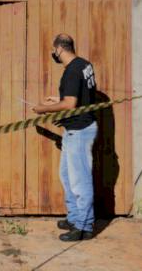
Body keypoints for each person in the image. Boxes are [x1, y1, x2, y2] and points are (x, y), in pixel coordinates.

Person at [33, 34, 97, 241]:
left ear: (59, 49)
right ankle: (75, 217)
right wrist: (58, 99)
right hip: (76, 129)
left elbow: (70, 104)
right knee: (67, 176)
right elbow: (80, 98)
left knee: (80, 181)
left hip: (79, 130)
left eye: (54, 50)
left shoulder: (70, 71)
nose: (54, 54)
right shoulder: (84, 65)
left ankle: (84, 227)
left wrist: (44, 109)